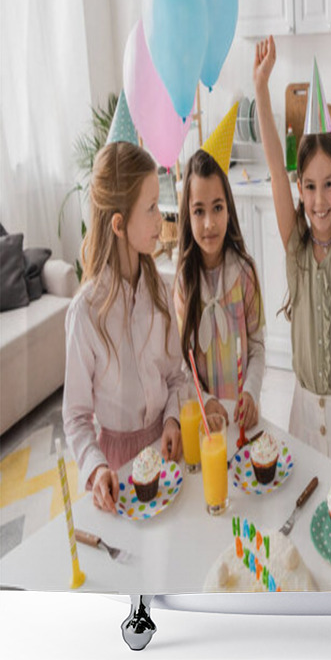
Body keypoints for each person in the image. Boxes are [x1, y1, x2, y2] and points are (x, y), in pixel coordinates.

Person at [252, 33, 331, 479]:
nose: (320, 199)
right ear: (299, 189)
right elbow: (273, 164)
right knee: (303, 511)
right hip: (301, 414)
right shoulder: (296, 249)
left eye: (329, 184)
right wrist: (262, 88)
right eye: (309, 185)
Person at [63, 141, 185, 512]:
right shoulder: (86, 314)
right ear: (118, 224)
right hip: (117, 470)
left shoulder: (161, 293)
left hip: (167, 459)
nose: (160, 219)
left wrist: (173, 421)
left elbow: (176, 378)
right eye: (150, 209)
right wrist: (97, 467)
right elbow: (76, 416)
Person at [174, 145, 265, 431]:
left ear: (229, 209)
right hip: (206, 420)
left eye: (217, 208)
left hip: (243, 419)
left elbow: (258, 347)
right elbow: (183, 363)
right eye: (199, 211)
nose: (209, 223)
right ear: (188, 216)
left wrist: (250, 391)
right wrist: (207, 400)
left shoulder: (245, 274)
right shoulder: (183, 284)